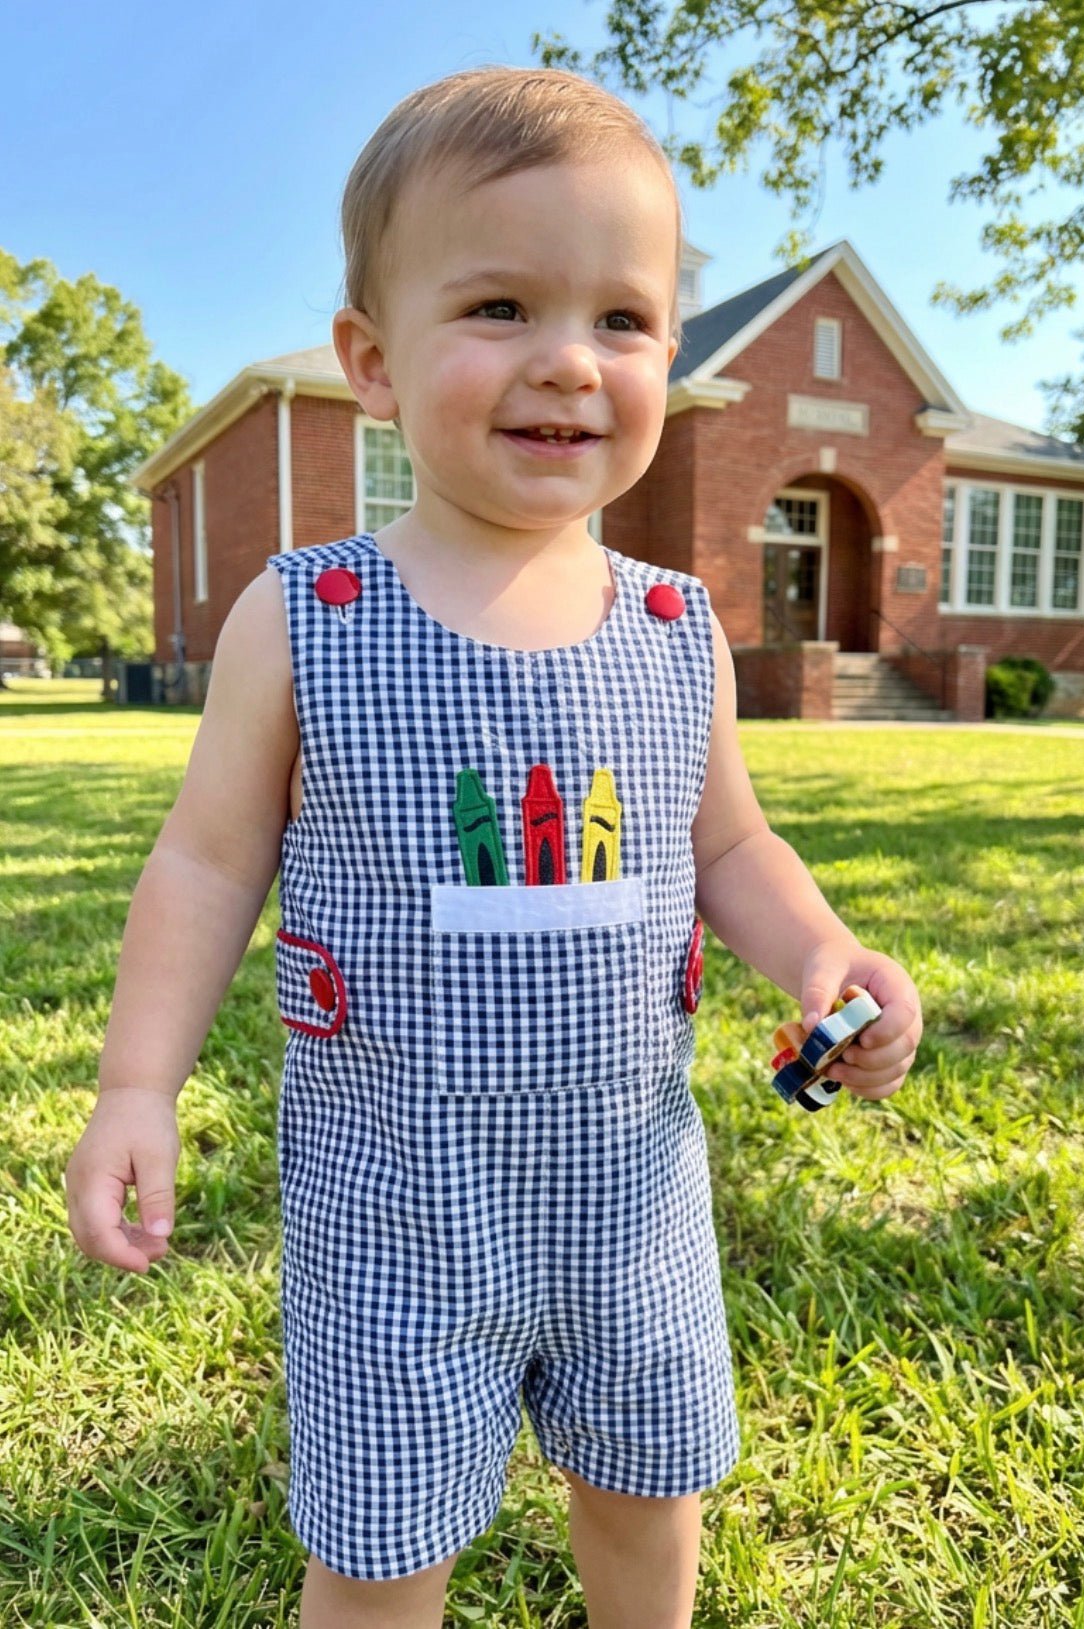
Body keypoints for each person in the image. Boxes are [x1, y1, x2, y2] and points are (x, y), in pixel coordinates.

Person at [64, 64, 923, 1629]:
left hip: (631, 1184)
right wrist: (138, 1086)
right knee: (380, 1548)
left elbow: (728, 842)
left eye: (621, 320)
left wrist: (823, 955)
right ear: (371, 363)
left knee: (652, 1493)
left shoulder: (675, 633)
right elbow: (202, 864)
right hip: (389, 1199)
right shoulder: (307, 618)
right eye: (502, 306)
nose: (568, 365)